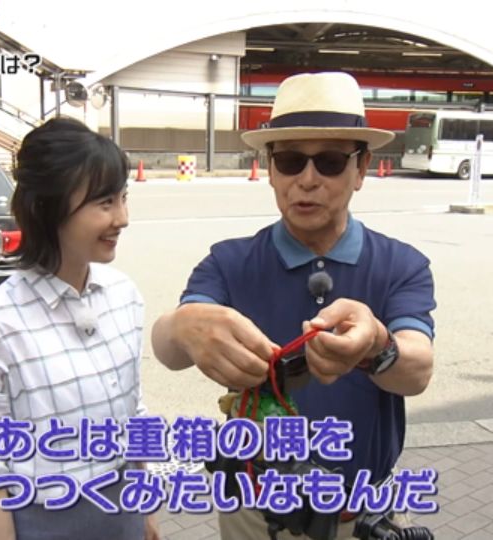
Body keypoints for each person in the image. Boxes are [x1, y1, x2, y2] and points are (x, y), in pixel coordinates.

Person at [151, 72, 437, 539]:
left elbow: (417, 371)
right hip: (254, 513)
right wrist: (183, 326)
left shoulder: (400, 265)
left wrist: (376, 345)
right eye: (289, 161)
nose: (307, 180)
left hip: (362, 514)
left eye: (329, 162)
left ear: (361, 169)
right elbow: (168, 349)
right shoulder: (229, 262)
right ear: (270, 169)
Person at [0, 117, 159, 540]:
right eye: (104, 203)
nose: (122, 218)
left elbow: (134, 413)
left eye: (123, 198)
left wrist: (146, 510)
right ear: (48, 207)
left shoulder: (124, 296)